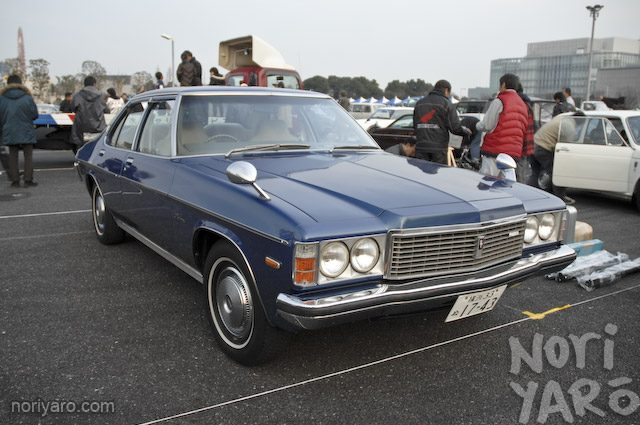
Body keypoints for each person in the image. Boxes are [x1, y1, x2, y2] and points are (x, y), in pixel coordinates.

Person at [475, 73, 528, 178]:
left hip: (495, 151)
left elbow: (487, 125)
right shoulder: (523, 104)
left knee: (486, 184)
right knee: (504, 187)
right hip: (513, 154)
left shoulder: (500, 101)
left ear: (503, 84)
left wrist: (477, 125)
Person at [527, 111, 584, 205]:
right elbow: (567, 146)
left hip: (534, 143)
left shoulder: (562, 118)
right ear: (580, 122)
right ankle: (560, 197)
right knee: (556, 172)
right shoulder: (569, 126)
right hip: (543, 147)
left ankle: (528, 194)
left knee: (536, 173)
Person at [413, 79, 470, 165]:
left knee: (420, 176)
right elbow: (455, 128)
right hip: (438, 149)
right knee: (438, 175)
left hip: (421, 146)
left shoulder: (419, 103)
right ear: (446, 90)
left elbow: (415, 126)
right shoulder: (446, 104)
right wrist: (466, 132)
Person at [0, 74, 39, 187]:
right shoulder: (27, 97)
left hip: (9, 130)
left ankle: (15, 180)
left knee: (13, 155)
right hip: (26, 130)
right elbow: (35, 115)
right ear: (20, 83)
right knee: (28, 156)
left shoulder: (2, 98)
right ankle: (28, 180)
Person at [71, 76, 109, 147]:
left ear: (84, 84)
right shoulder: (101, 95)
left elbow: (73, 108)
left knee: (81, 149)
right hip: (98, 127)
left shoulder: (78, 95)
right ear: (94, 84)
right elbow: (106, 110)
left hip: (82, 127)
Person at [517, 83, 535, 183]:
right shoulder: (528, 104)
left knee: (516, 172)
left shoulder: (519, 104)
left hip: (519, 142)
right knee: (522, 169)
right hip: (526, 142)